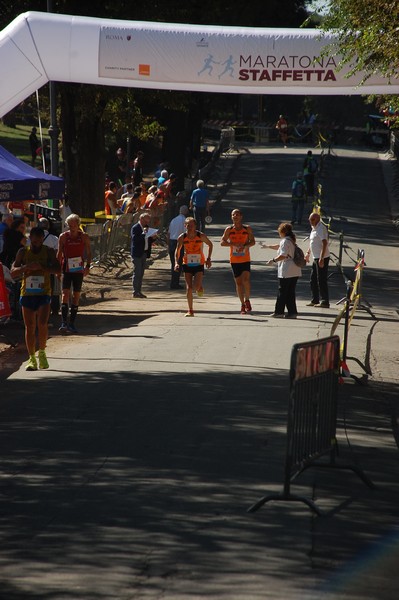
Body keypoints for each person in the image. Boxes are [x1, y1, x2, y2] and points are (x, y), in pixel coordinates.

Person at [11, 226, 61, 371]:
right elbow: (13, 272)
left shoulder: (49, 251)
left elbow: (58, 269)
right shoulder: (23, 252)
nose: (37, 245)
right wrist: (27, 267)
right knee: (30, 326)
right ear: (30, 240)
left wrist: (43, 267)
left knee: (42, 323)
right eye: (34, 243)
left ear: (42, 240)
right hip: (27, 293)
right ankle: (32, 358)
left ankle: (43, 353)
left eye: (39, 242)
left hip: (44, 292)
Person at [57, 213, 92, 334]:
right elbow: (59, 253)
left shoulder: (84, 236)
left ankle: (72, 323)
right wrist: (58, 269)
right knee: (65, 294)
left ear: (78, 225)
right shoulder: (63, 236)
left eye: (74, 225)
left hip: (78, 269)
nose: (72, 227)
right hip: (66, 269)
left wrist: (88, 266)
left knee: (76, 295)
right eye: (69, 225)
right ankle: (63, 323)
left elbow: (88, 252)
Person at [174, 217, 213, 317]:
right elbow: (177, 250)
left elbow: (210, 244)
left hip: (199, 263)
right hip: (187, 263)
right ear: (184, 226)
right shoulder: (182, 237)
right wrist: (176, 263)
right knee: (189, 288)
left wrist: (208, 259)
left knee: (196, 287)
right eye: (187, 225)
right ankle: (190, 310)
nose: (189, 227)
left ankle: (200, 288)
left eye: (191, 225)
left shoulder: (200, 236)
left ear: (195, 226)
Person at [221, 209, 255, 315]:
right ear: (231, 217)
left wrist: (244, 246)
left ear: (241, 216)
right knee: (239, 283)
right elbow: (222, 242)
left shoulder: (247, 228)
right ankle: (242, 305)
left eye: (237, 214)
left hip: (245, 259)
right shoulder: (229, 229)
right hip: (234, 260)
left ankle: (247, 299)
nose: (235, 216)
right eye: (233, 215)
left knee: (245, 280)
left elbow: (253, 241)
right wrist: (233, 244)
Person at [264, 222, 302, 318]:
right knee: (290, 292)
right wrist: (268, 246)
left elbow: (283, 255)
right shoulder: (291, 240)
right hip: (295, 270)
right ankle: (292, 312)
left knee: (282, 291)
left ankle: (279, 311)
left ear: (283, 232)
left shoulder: (285, 241)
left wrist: (273, 260)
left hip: (287, 270)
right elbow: (279, 247)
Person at [305, 212, 330, 308]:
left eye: (312, 220)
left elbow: (324, 243)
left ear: (318, 219)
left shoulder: (320, 228)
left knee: (321, 279)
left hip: (321, 257)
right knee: (313, 279)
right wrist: (308, 253)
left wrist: (322, 258)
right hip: (315, 257)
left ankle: (325, 301)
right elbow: (312, 242)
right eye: (310, 220)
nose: (310, 222)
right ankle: (315, 299)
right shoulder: (314, 228)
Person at [131, 212, 157, 298]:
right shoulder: (136, 227)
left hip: (144, 252)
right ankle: (135, 291)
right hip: (137, 253)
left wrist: (153, 238)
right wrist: (144, 234)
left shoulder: (147, 228)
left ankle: (139, 291)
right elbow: (135, 240)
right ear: (141, 219)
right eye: (146, 220)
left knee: (141, 273)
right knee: (137, 272)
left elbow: (148, 240)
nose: (147, 222)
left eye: (148, 221)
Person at [38, 217, 60, 316]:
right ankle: (52, 308)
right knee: (51, 288)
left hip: (36, 268)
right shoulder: (54, 238)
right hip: (50, 268)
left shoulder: (32, 238)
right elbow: (58, 253)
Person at [168, 205, 189, 289]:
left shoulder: (173, 220)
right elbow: (185, 234)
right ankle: (174, 283)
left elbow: (169, 233)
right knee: (178, 263)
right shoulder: (185, 221)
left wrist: (168, 244)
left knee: (173, 262)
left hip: (172, 241)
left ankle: (174, 281)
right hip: (179, 242)